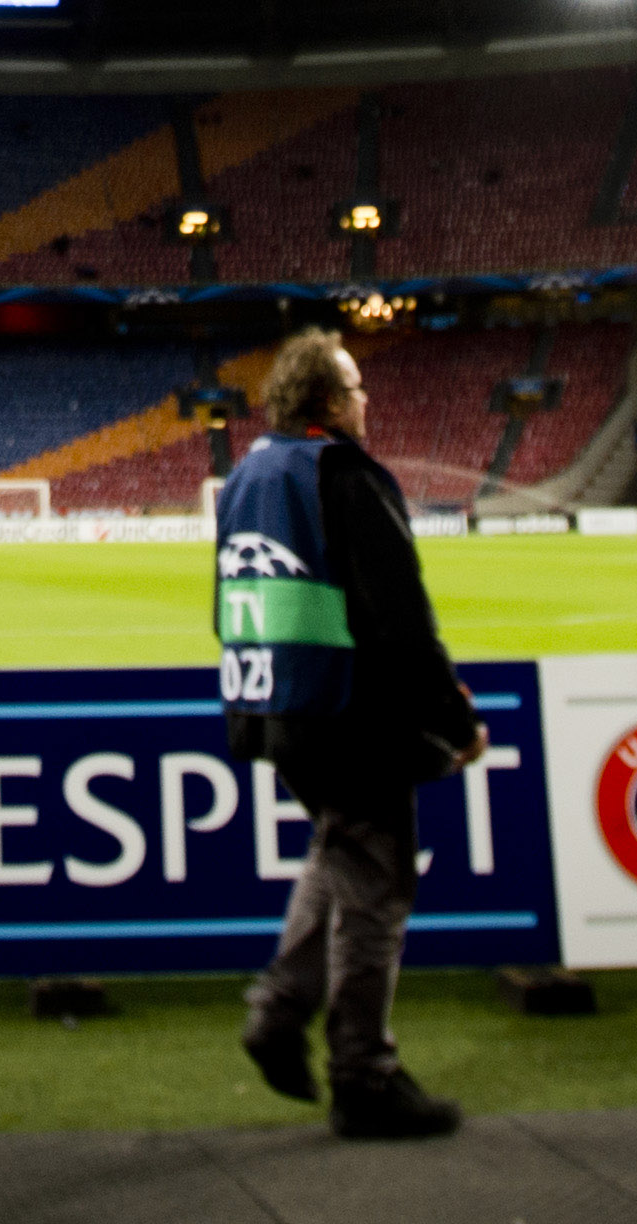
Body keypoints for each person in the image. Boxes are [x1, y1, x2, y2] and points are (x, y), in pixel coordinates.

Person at [215, 328, 480, 1142]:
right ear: (330, 400)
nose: (367, 400)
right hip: (347, 712)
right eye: (356, 387)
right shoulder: (346, 475)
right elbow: (400, 617)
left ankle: (277, 1012)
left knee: (342, 856)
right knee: (378, 895)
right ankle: (364, 1077)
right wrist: (453, 719)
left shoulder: (247, 475)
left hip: (276, 708)